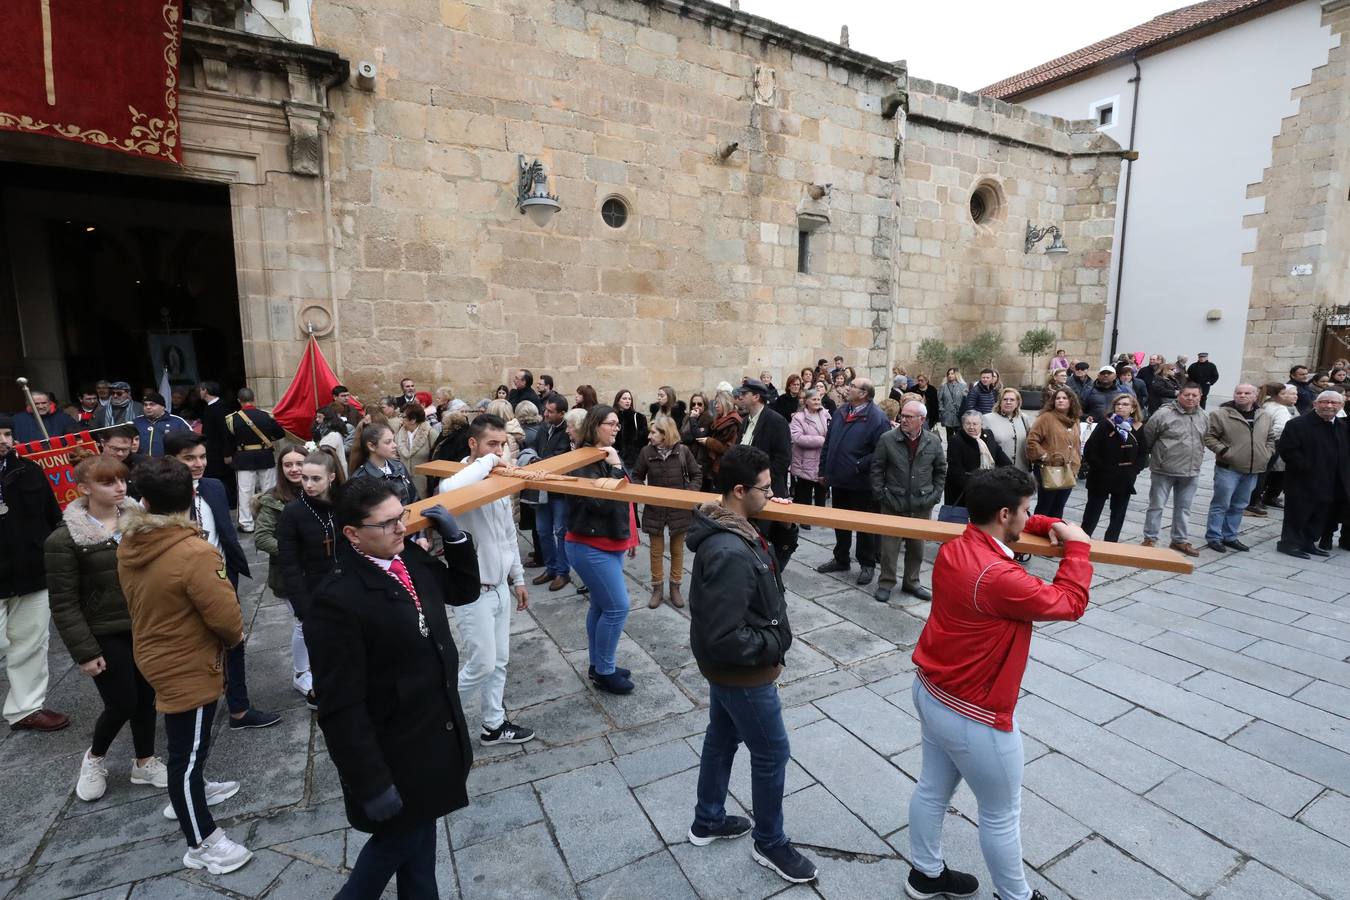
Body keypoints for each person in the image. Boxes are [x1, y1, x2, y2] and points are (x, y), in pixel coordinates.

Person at [906, 467, 1090, 900]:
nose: (1030, 519)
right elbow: (1069, 603)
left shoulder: (958, 544)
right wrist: (1077, 548)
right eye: (1027, 512)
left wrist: (1052, 524)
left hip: (932, 688)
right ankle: (1016, 897)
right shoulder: (999, 577)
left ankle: (925, 875)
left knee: (932, 788)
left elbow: (1013, 526)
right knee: (1001, 814)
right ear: (1005, 513)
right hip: (974, 712)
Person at [306, 478, 480, 900]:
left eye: (401, 515)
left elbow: (462, 590)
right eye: (387, 523)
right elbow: (340, 705)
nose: (401, 527)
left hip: (435, 733)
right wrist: (370, 783)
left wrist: (456, 540)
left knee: (420, 852)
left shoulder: (410, 559)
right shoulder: (337, 599)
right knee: (396, 845)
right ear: (352, 534)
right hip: (394, 752)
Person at [685, 445, 818, 885]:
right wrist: (775, 640)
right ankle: (770, 842)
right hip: (744, 672)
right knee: (771, 752)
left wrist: (780, 526)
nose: (773, 492)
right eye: (765, 487)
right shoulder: (728, 549)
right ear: (739, 490)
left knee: (722, 738)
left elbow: (767, 573)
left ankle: (707, 820)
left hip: (732, 672)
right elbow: (724, 636)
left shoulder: (740, 528)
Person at [117, 457, 253, 875]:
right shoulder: (193, 550)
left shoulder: (131, 541)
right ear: (191, 497)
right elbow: (226, 617)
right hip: (186, 660)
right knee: (185, 757)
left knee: (188, 748)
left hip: (158, 652)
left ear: (143, 501)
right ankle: (202, 842)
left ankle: (194, 792)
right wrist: (234, 642)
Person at [47, 452, 166, 800]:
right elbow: (64, 602)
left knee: (146, 697)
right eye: (107, 481)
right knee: (122, 701)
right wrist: (85, 652)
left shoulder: (139, 521)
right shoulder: (65, 539)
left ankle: (144, 762)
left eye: (121, 479)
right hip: (103, 629)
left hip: (144, 623)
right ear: (83, 488)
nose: (119, 486)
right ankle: (95, 758)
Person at [164, 432, 280, 729]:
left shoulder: (213, 486)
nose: (198, 464)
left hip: (223, 576)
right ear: (171, 460)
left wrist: (233, 566)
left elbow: (224, 530)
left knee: (234, 639)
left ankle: (239, 708)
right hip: (183, 585)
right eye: (189, 458)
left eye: (202, 457)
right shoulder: (162, 496)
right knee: (195, 646)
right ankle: (191, 708)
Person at [433, 415, 536, 747]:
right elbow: (449, 490)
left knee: (500, 662)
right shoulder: (458, 477)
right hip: (472, 592)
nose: (500, 450)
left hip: (500, 587)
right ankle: (433, 720)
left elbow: (507, 533)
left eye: (503, 444)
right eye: (493, 443)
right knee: (481, 664)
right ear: (473, 444)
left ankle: (493, 725)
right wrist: (493, 460)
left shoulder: (496, 480)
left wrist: (518, 578)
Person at [0, 413, 68, 732]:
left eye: (7, 434)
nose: (3, 441)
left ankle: (26, 708)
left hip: (31, 570)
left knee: (30, 642)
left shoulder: (29, 470)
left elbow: (53, 515)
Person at [566, 406, 639, 694]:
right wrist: (616, 467)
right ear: (596, 425)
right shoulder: (585, 459)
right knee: (617, 607)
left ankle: (599, 665)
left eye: (618, 424)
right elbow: (602, 503)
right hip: (589, 545)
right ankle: (605, 671)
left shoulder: (604, 454)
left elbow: (627, 499)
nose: (616, 428)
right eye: (611, 424)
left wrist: (631, 537)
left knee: (601, 604)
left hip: (610, 541)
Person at [275, 448, 346, 709]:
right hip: (312, 587)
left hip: (342, 584)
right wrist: (301, 605)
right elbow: (289, 562)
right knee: (320, 644)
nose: (308, 484)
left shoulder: (341, 506)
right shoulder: (293, 513)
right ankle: (319, 689)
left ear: (331, 477)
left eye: (315, 479)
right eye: (305, 478)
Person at [252, 442, 312, 704]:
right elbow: (262, 537)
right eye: (288, 464)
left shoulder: (318, 491)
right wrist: (295, 552)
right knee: (303, 621)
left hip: (319, 571)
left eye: (299, 463)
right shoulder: (273, 499)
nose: (294, 469)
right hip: (290, 574)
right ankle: (301, 673)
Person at [815, 377, 890, 585]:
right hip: (839, 479)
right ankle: (841, 558)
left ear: (864, 393)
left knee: (864, 525)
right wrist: (823, 470)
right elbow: (829, 443)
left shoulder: (877, 418)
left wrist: (858, 464)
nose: (849, 388)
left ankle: (867, 564)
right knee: (840, 522)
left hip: (861, 483)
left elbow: (881, 452)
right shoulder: (841, 411)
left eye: (854, 386)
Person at [871, 400, 945, 604]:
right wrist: (881, 495)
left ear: (921, 419)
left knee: (917, 547)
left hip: (922, 503)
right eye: (902, 416)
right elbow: (877, 469)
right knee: (889, 547)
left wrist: (935, 495)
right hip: (892, 502)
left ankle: (912, 582)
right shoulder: (887, 439)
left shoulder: (933, 441)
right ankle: (886, 582)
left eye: (908, 417)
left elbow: (940, 470)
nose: (903, 419)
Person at [633, 415, 700, 608]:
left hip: (679, 510)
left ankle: (675, 588)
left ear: (665, 434)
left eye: (654, 432)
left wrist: (689, 494)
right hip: (655, 509)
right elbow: (636, 475)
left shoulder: (683, 451)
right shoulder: (646, 452)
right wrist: (643, 491)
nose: (650, 435)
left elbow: (696, 474)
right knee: (656, 551)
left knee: (677, 551)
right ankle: (657, 590)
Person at [1202, 384, 1274, 553]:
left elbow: (1270, 437)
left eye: (1247, 393)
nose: (1242, 395)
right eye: (1238, 393)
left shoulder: (1264, 416)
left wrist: (1267, 453)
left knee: (1239, 504)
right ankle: (1214, 536)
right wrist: (1225, 451)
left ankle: (1230, 536)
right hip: (1228, 467)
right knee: (1221, 503)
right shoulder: (1221, 414)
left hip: (1253, 468)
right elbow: (1209, 436)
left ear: (1255, 396)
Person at [1140, 383, 1209, 558]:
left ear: (1200, 396)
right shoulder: (1164, 414)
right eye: (1187, 395)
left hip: (1191, 470)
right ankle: (1150, 538)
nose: (1191, 398)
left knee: (1184, 507)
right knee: (1156, 506)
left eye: (1195, 395)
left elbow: (1205, 438)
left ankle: (1179, 539)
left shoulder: (1204, 415)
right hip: (1164, 468)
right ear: (1179, 395)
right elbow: (1148, 436)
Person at [1276, 390, 1344, 559]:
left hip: (1330, 480)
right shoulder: (1298, 424)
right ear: (1315, 404)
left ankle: (1308, 542)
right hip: (1303, 480)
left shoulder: (1342, 426)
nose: (1329, 406)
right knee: (1298, 513)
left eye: (1334, 403)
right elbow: (1288, 451)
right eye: (1324, 402)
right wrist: (1307, 467)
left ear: (1341, 406)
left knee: (1319, 515)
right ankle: (1289, 544)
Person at [736, 378, 796, 569]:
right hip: (745, 493)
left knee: (764, 540)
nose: (740, 397)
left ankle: (769, 579)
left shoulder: (775, 421)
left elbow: (783, 459)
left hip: (766, 492)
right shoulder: (745, 421)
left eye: (743, 394)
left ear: (756, 397)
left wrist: (763, 486)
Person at [1081, 393, 1148, 542]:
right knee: (1092, 511)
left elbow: (1143, 453)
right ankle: (1082, 539)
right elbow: (1090, 450)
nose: (1120, 407)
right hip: (1101, 476)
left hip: (1124, 478)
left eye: (1125, 404)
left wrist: (1134, 470)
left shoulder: (1138, 427)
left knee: (1118, 514)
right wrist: (1100, 468)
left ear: (1133, 408)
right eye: (1118, 404)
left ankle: (1111, 543)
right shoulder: (1105, 424)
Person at [225, 388, 285, 533]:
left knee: (245, 491)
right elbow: (280, 433)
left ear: (239, 401)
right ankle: (271, 521)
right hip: (265, 455)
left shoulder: (232, 418)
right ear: (254, 399)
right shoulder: (266, 416)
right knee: (269, 490)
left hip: (244, 457)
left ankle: (247, 524)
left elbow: (229, 440)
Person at [1025, 388, 1082, 519]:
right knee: (1045, 506)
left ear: (1071, 401)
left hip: (1068, 469)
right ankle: (1037, 533)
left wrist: (1076, 463)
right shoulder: (1046, 418)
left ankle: (1054, 533)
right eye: (1058, 398)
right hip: (1049, 469)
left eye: (1064, 398)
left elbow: (1077, 444)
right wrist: (1045, 456)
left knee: (1059, 506)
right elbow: (1032, 441)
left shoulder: (1075, 420)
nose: (1060, 400)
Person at [1249, 383, 1298, 515]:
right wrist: (1271, 440)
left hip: (1257, 442)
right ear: (1276, 395)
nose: (1286, 396)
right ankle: (1253, 502)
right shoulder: (1280, 409)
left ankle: (1253, 500)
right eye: (1283, 393)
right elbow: (1281, 428)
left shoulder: (1261, 404)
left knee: (1257, 473)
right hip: (1272, 444)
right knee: (1262, 474)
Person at [947, 410, 1011, 507]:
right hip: (964, 492)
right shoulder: (956, 440)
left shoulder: (988, 435)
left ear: (981, 424)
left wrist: (1009, 472)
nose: (971, 427)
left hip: (988, 488)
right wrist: (975, 489)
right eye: (968, 423)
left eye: (975, 424)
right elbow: (955, 471)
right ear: (963, 425)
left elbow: (1000, 455)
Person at [349, 423, 418, 506]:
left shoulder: (399, 467)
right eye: (388, 442)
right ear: (371, 446)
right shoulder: (360, 478)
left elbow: (414, 498)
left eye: (393, 440)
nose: (395, 445)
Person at [789, 389, 830, 517]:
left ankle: (819, 517)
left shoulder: (826, 414)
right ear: (806, 401)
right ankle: (804, 519)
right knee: (804, 491)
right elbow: (797, 438)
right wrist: (821, 440)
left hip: (822, 459)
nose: (817, 402)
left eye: (818, 399)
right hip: (805, 461)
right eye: (814, 399)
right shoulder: (798, 417)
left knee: (821, 489)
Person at [197, 381, 236, 507]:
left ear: (205, 391)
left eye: (200, 390)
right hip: (212, 451)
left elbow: (226, 432)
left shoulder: (220, 407)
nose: (199, 393)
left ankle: (231, 502)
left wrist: (227, 453)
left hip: (220, 453)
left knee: (225, 479)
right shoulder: (210, 407)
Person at [983, 388, 1033, 472]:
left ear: (1017, 403)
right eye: (1005, 399)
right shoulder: (987, 419)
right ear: (1000, 402)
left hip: (1022, 470)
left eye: (1012, 400)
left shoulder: (1024, 418)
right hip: (999, 471)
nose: (1008, 402)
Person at [133, 392, 193, 458]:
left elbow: (192, 442)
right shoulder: (136, 422)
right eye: (145, 405)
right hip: (141, 465)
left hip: (167, 465)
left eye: (152, 404)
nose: (148, 407)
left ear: (163, 407)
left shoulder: (177, 422)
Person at [700, 392, 743, 483]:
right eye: (715, 403)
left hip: (725, 467)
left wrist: (709, 441)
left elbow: (729, 448)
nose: (715, 406)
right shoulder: (720, 419)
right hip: (716, 465)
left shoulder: (733, 422)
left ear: (726, 403)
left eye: (718, 403)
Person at [12, 389, 79, 443]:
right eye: (36, 404)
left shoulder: (64, 418)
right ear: (29, 404)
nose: (41, 406)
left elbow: (77, 437)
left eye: (44, 403)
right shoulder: (17, 420)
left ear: (50, 403)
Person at [393, 403, 433, 493]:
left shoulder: (430, 434)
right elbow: (395, 456)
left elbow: (437, 458)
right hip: (403, 483)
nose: (401, 419)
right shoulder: (399, 434)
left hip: (424, 483)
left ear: (413, 420)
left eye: (403, 417)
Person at [681, 392, 714, 488]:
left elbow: (699, 437)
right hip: (686, 460)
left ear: (705, 405)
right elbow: (682, 437)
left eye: (699, 404)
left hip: (701, 463)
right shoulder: (687, 418)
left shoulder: (708, 419)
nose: (696, 407)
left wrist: (693, 420)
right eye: (693, 404)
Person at [612, 389, 648, 471]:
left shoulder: (638, 417)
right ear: (617, 401)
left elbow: (644, 439)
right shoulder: (612, 416)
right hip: (615, 457)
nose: (627, 401)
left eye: (629, 399)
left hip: (632, 461)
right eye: (624, 399)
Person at [937, 369, 967, 438]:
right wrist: (942, 410)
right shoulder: (943, 386)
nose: (950, 375)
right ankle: (950, 449)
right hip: (948, 415)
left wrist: (964, 412)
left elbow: (966, 400)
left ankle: (959, 449)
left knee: (960, 436)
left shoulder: (963, 386)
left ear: (956, 374)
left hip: (959, 415)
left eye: (952, 373)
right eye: (948, 374)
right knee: (949, 436)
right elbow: (939, 400)